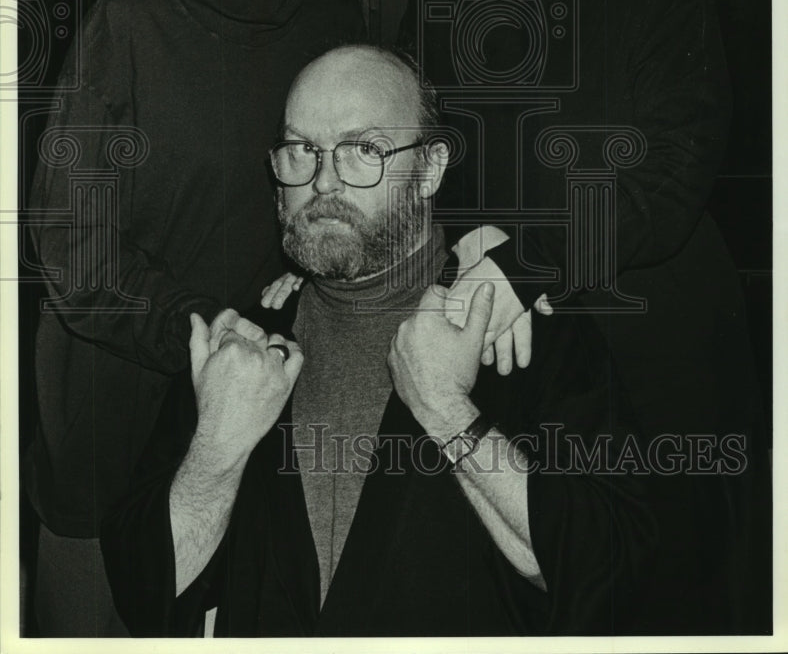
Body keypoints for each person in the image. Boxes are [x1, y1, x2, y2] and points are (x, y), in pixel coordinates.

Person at [398, 0, 770, 633]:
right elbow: (415, 169)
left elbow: (669, 179)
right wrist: (458, 236)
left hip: (658, 379)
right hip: (499, 373)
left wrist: (523, 256)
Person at [101, 44, 655, 637]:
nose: (324, 181)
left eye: (364, 149)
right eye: (301, 151)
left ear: (431, 169)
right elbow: (145, 595)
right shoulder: (246, 345)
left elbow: (615, 575)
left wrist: (448, 411)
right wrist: (218, 450)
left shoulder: (523, 330)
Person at [25, 0, 365, 637]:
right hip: (118, 425)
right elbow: (71, 249)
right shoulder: (128, 22)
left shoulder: (342, 23)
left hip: (260, 416)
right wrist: (216, 332)